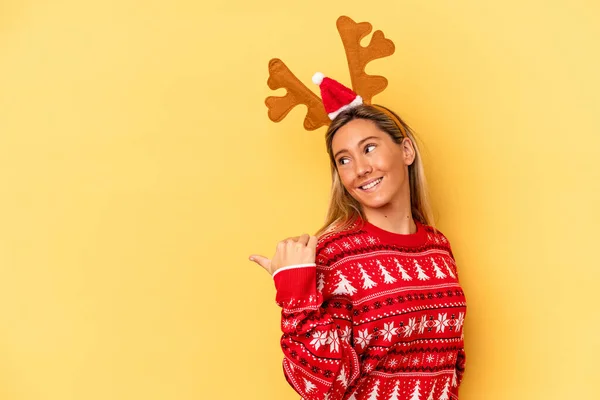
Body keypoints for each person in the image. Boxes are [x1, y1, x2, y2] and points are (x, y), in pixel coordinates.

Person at [250, 75, 467, 400]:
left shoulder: (438, 248)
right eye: (344, 160)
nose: (360, 168)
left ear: (405, 150)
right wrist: (296, 298)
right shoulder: (333, 255)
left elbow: (451, 366)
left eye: (369, 148)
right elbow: (322, 385)